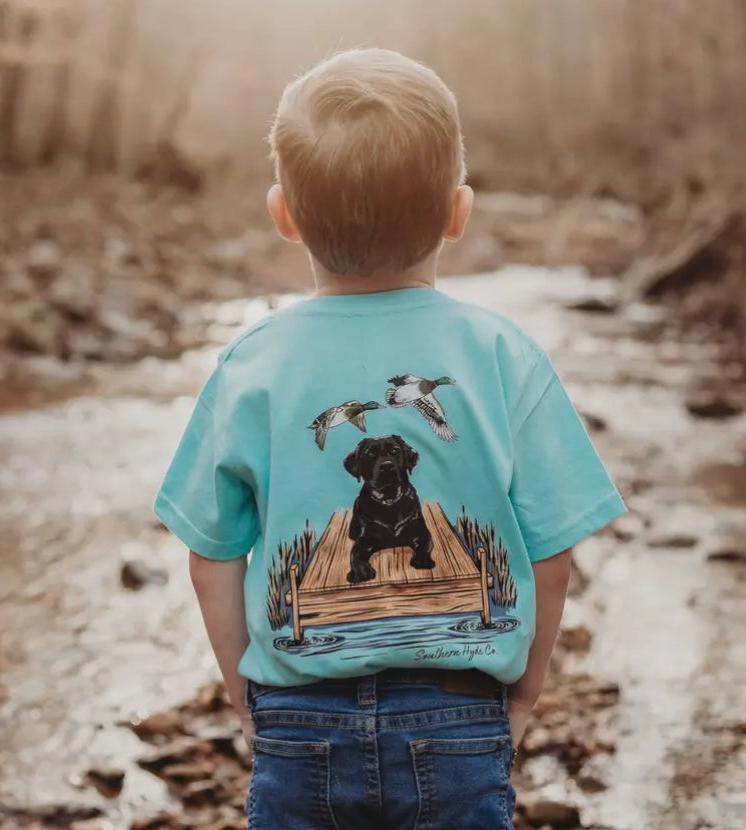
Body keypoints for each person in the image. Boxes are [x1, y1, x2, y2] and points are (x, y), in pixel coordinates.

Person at [155, 47, 625, 830]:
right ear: (458, 211)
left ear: (283, 214)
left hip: (298, 722)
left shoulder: (252, 362)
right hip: (461, 719)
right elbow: (551, 553)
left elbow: (211, 559)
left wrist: (248, 699)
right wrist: (529, 690)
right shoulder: (503, 354)